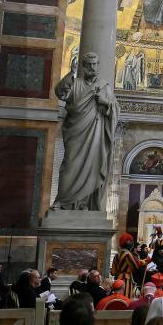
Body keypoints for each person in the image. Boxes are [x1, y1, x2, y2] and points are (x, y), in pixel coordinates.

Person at [52, 52, 118, 211]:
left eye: (95, 64)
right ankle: (63, 201)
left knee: (92, 168)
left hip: (95, 135)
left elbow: (115, 108)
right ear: (83, 66)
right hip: (76, 133)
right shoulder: (75, 84)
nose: (92, 68)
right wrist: (70, 74)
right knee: (69, 166)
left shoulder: (104, 86)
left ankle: (84, 204)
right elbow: (60, 93)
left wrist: (106, 103)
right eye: (88, 65)